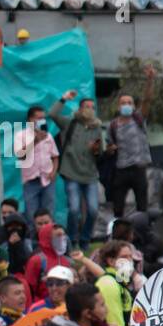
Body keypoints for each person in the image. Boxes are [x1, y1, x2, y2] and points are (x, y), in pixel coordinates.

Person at [50, 90, 105, 249]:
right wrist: (64, 98)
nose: (90, 109)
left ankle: (85, 239)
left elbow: (99, 153)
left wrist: (95, 149)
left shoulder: (97, 128)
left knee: (93, 210)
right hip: (71, 174)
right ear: (80, 109)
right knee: (74, 209)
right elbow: (52, 114)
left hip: (90, 176)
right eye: (87, 106)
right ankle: (72, 238)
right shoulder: (70, 123)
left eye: (92, 107)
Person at [105, 65, 157, 215]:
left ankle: (142, 232)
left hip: (139, 168)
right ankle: (117, 232)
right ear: (118, 106)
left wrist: (150, 80)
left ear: (134, 106)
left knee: (142, 205)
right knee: (118, 206)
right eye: (123, 103)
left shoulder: (138, 119)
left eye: (129, 103)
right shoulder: (113, 125)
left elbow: (147, 100)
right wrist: (110, 149)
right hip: (121, 169)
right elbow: (109, 147)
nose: (126, 105)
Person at [13, 105, 60, 220]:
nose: (41, 121)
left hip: (47, 179)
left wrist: (54, 171)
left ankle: (47, 236)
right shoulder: (21, 135)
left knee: (48, 213)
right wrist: (36, 140)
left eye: (43, 118)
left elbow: (55, 156)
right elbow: (20, 155)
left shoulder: (48, 136)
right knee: (31, 213)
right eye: (38, 118)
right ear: (30, 119)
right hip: (30, 180)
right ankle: (33, 237)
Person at [93, 240, 137, 326]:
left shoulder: (120, 282)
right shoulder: (109, 284)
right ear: (111, 261)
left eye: (130, 257)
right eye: (124, 257)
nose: (129, 261)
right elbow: (115, 324)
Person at [23, 222, 71, 304]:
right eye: (58, 235)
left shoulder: (66, 261)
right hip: (42, 305)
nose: (62, 239)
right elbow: (29, 288)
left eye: (63, 235)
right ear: (47, 238)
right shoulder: (36, 260)